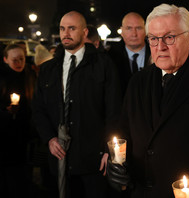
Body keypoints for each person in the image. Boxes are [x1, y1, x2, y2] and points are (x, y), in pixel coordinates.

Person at [106, 4, 189, 198]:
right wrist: (115, 166)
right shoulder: (138, 82)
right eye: (153, 38)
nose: (160, 47)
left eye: (169, 37)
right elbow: (123, 134)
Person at [32, 11, 122, 198]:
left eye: (72, 28)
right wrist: (49, 138)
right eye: (62, 29)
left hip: (94, 160)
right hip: (60, 159)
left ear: (84, 32)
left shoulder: (103, 64)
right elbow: (38, 109)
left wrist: (109, 151)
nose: (66, 33)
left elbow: (114, 111)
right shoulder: (49, 69)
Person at [0, 44, 36, 198]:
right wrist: (5, 111)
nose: (18, 63)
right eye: (14, 60)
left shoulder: (30, 74)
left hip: (26, 130)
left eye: (21, 59)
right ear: (5, 59)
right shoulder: (2, 77)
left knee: (25, 171)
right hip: (5, 134)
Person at [108, 12, 151, 96]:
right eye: (129, 28)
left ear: (146, 30)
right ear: (122, 31)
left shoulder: (157, 53)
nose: (134, 34)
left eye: (138, 28)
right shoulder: (110, 58)